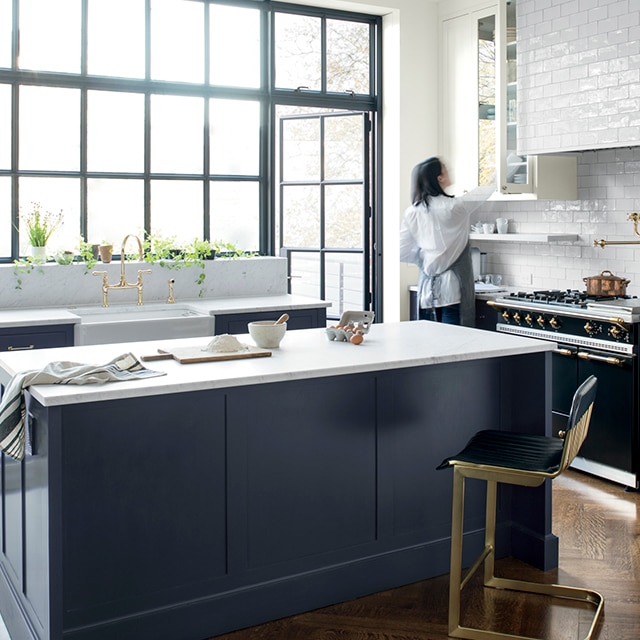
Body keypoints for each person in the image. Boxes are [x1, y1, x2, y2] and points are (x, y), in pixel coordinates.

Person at [400, 157, 494, 327]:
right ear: (439, 178)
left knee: (430, 344)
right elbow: (486, 190)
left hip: (427, 290)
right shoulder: (455, 207)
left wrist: (427, 258)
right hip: (453, 290)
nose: (448, 171)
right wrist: (509, 161)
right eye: (445, 169)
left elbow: (402, 251)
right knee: (454, 344)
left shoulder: (412, 212)